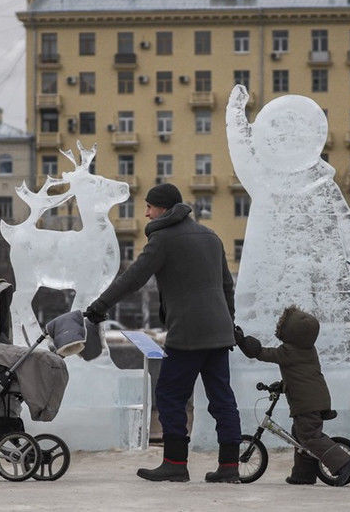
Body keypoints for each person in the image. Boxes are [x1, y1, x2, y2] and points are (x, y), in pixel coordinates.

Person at [85, 183, 241, 483]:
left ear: (165, 209)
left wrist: (99, 306)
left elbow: (133, 278)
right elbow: (226, 286)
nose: (145, 212)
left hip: (187, 334)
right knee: (222, 398)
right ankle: (230, 466)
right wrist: (228, 325)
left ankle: (174, 463)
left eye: (150, 206)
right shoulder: (211, 237)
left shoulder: (164, 239)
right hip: (219, 334)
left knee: (169, 395)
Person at [234, 306, 350, 486]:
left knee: (309, 437)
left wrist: (243, 342)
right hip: (316, 398)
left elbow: (262, 353)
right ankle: (303, 474)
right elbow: (302, 376)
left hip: (307, 403)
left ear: (290, 332)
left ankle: (344, 463)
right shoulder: (308, 349)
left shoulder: (288, 351)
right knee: (299, 435)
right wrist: (283, 386)